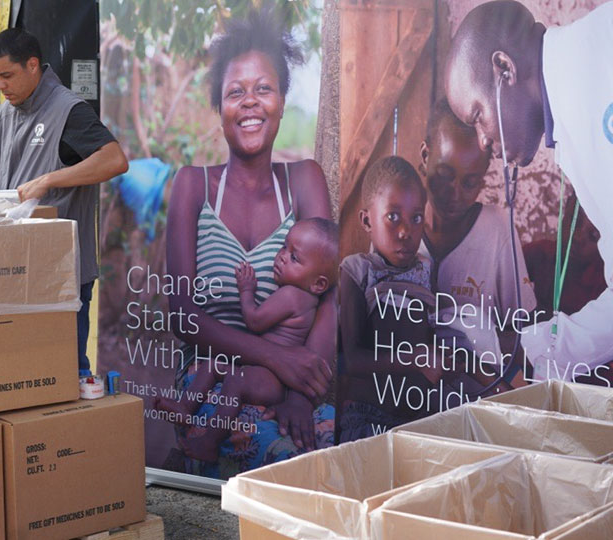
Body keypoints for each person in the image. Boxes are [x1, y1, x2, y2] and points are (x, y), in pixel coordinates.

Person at [165, 9, 336, 476]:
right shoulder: (192, 186)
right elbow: (182, 312)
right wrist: (278, 358)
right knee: (255, 448)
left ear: (282, 99)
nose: (250, 103)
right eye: (235, 92)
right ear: (219, 107)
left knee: (307, 457)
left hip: (289, 384)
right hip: (209, 380)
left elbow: (330, 300)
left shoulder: (304, 180)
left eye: (263, 88)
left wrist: (301, 392)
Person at [444, 1, 613, 381]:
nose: (483, 141)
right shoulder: (574, 105)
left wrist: (531, 350)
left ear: (505, 69)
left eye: (477, 116)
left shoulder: (595, 91)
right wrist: (534, 350)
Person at [0, 27, 128, 374]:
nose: (0, 86)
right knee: (24, 371)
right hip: (14, 263)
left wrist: (49, 180)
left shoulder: (67, 109)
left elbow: (114, 160)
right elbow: (7, 158)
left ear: (33, 65)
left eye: (7, 75)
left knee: (66, 372)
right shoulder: (8, 110)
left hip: (62, 269)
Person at [156, 218, 339, 458]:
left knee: (234, 382)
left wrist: (246, 290)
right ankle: (185, 407)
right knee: (214, 365)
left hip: (272, 376)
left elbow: (254, 320)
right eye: (285, 247)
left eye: (295, 258)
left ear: (318, 284)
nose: (282, 256)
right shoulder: (305, 298)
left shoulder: (291, 296)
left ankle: (210, 441)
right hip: (269, 369)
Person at [416, 98, 534, 392]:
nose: (454, 194)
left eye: (470, 183)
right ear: (424, 156)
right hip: (410, 392)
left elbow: (524, 329)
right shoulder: (399, 227)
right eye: (444, 175)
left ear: (483, 181)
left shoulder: (497, 231)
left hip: (478, 393)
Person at [338, 156, 439, 442]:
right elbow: (352, 360)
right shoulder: (357, 271)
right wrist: (413, 360)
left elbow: (432, 340)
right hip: (366, 418)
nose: (406, 231)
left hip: (419, 420)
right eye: (393, 217)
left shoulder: (425, 270)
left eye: (416, 218)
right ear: (366, 220)